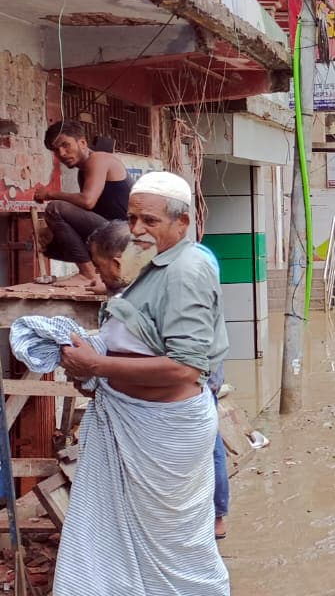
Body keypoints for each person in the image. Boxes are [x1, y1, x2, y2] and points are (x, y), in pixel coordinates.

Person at [54, 171, 230, 595]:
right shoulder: (150, 257)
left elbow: (185, 368)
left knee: (176, 552)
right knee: (129, 538)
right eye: (132, 218)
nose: (136, 229)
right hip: (135, 420)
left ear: (182, 223)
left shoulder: (187, 269)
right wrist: (94, 357)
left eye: (149, 221)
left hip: (164, 432)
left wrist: (98, 366)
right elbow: (128, 308)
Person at [87, 220, 232, 541]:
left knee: (203, 438)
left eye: (99, 267)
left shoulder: (176, 279)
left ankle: (215, 513)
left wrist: (98, 364)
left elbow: (177, 362)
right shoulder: (155, 271)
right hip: (193, 372)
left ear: (116, 261)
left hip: (195, 374)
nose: (99, 275)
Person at [34, 121, 133, 290]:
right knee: (49, 244)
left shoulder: (98, 159)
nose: (62, 153)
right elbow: (87, 212)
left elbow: (88, 201)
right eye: (56, 150)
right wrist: (52, 231)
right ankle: (97, 273)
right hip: (110, 233)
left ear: (82, 143)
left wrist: (49, 194)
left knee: (55, 208)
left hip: (125, 235)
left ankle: (86, 274)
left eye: (66, 145)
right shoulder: (83, 171)